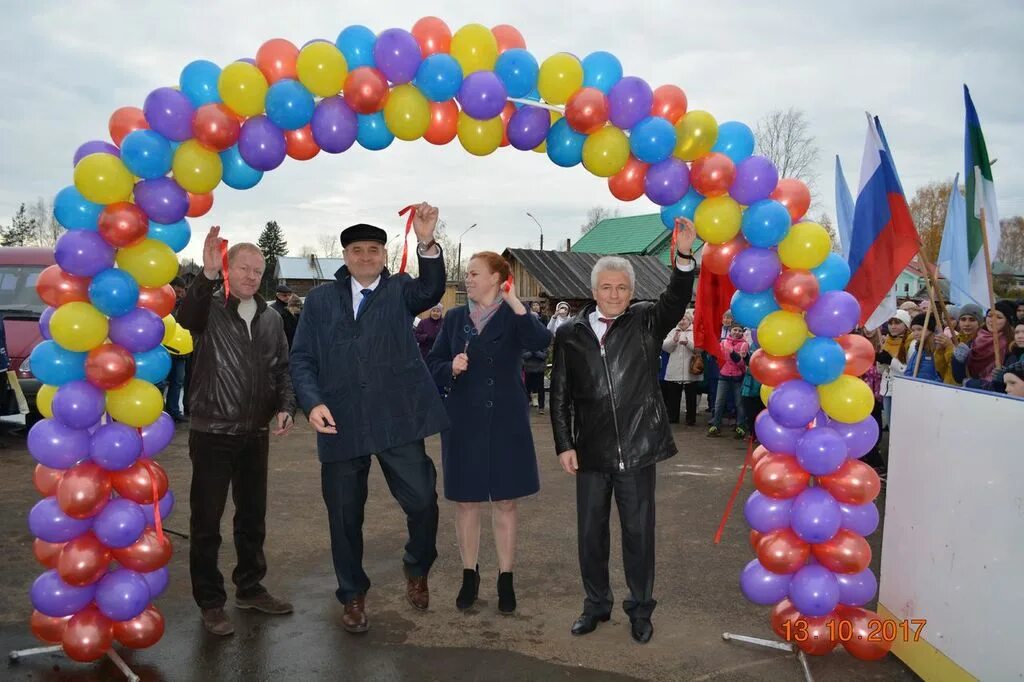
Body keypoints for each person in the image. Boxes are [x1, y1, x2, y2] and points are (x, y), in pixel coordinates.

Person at [289, 203, 448, 634]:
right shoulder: (320, 301)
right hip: (340, 423)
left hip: (397, 418)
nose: (365, 257)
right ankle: (353, 594)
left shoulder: (400, 290)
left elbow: (431, 289)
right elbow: (301, 358)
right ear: (345, 256)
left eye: (373, 249)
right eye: (357, 250)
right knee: (344, 516)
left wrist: (427, 242)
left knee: (422, 501)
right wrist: (312, 401)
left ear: (383, 254)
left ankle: (417, 566)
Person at [550, 218, 697, 645]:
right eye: (606, 287)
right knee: (590, 535)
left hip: (638, 450)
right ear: (593, 291)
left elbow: (675, 298)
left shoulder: (648, 322)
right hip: (591, 452)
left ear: (631, 292)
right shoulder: (570, 335)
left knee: (638, 535)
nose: (613, 295)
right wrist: (564, 444)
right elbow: (558, 395)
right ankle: (595, 605)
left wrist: (684, 256)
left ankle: (640, 609)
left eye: (621, 288)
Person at [176, 228, 297, 637]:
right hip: (212, 430)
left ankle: (250, 587)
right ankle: (210, 602)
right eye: (244, 267)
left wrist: (285, 407)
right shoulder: (209, 307)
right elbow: (184, 319)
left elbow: (282, 369)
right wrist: (206, 275)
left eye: (258, 270)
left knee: (252, 517)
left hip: (254, 433)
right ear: (228, 269)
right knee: (206, 520)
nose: (251, 276)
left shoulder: (270, 317)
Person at [426, 252, 552, 613]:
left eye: (475, 274)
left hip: (506, 421)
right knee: (467, 501)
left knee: (506, 501)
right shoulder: (453, 319)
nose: (467, 279)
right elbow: (432, 362)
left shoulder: (514, 317)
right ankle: (470, 574)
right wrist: (450, 365)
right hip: (463, 420)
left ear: (498, 279)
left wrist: (515, 301)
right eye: (467, 274)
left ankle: (506, 577)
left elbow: (540, 340)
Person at [708, 323, 750, 439]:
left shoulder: (744, 345)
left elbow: (741, 363)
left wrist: (732, 352)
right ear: (730, 331)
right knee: (719, 402)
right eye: (734, 330)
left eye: (739, 331)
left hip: (737, 377)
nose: (736, 332)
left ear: (742, 333)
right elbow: (717, 356)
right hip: (724, 375)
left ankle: (740, 426)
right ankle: (716, 425)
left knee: (739, 403)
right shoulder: (723, 342)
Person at [661, 312, 701, 425]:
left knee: (691, 396)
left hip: (691, 368)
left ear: (689, 320)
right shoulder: (673, 330)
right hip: (675, 368)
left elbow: (699, 349)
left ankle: (690, 419)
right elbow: (665, 348)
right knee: (673, 395)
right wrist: (673, 341)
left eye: (684, 319)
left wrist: (688, 343)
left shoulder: (694, 331)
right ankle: (673, 417)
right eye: (680, 319)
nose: (681, 321)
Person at [877, 310, 912, 428]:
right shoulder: (887, 341)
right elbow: (881, 371)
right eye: (890, 323)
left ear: (906, 324)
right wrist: (880, 362)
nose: (893, 326)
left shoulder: (910, 343)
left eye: (897, 323)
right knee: (890, 424)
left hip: (901, 389)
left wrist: (890, 361)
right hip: (887, 389)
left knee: (900, 426)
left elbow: (909, 370)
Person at [164, 277, 189, 422]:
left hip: (182, 350)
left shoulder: (184, 304)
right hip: (165, 349)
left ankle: (173, 411)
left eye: (182, 291)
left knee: (178, 382)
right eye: (178, 290)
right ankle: (159, 411)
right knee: (160, 382)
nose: (180, 294)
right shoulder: (164, 302)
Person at [904, 313, 951, 383]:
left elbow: (940, 375)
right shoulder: (918, 349)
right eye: (913, 330)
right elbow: (909, 370)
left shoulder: (938, 349)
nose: (915, 333)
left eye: (919, 329)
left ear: (930, 330)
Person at [269, 283, 299, 348]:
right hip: (280, 344)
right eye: (284, 295)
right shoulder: (273, 310)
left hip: (293, 342)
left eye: (289, 295)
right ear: (278, 295)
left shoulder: (294, 307)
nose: (288, 297)